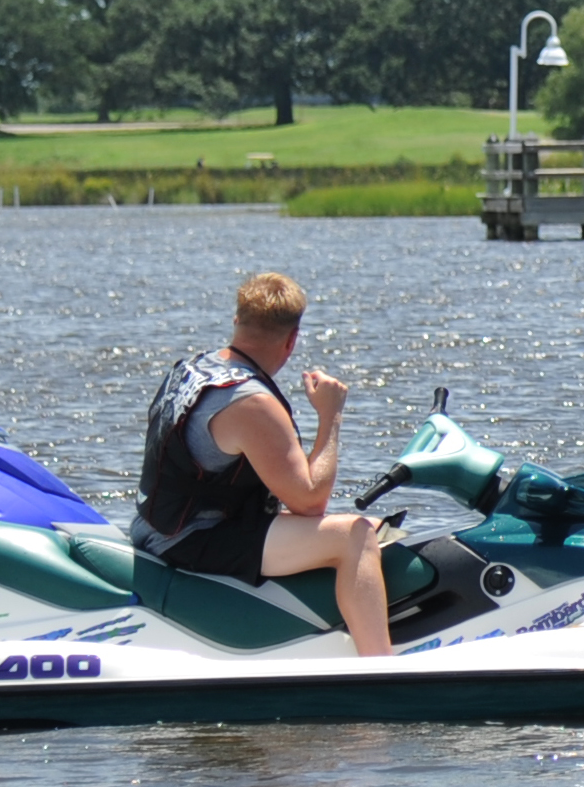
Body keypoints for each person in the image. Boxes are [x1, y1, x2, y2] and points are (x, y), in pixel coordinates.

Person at [132, 271, 402, 655]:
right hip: (187, 540)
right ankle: (381, 666)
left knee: (381, 529)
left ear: (237, 321)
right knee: (356, 535)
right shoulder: (251, 403)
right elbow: (309, 501)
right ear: (291, 341)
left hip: (155, 524)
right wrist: (331, 416)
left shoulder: (193, 368)